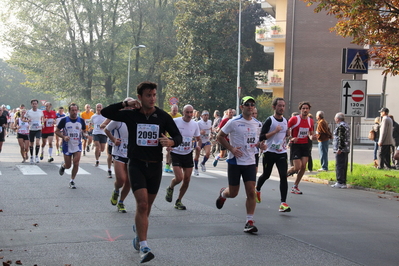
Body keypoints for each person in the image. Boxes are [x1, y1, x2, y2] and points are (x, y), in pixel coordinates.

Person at [101, 81, 182, 263]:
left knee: (147, 208)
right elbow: (105, 113)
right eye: (148, 95)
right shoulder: (131, 115)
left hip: (155, 166)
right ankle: (144, 246)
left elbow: (178, 136)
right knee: (142, 204)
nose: (152, 98)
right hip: (136, 164)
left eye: (154, 95)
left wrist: (171, 143)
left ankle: (139, 233)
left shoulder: (162, 116)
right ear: (139, 97)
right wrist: (124, 104)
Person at [215, 96, 265, 233]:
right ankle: (223, 194)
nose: (250, 106)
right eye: (247, 104)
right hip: (235, 162)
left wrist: (261, 145)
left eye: (252, 104)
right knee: (233, 193)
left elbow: (257, 141)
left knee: (250, 191)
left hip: (250, 162)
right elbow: (219, 136)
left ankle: (249, 221)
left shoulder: (257, 124)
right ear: (241, 107)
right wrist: (231, 148)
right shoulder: (233, 122)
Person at [255, 98, 291, 212]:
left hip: (282, 153)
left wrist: (287, 134)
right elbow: (261, 137)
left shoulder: (285, 121)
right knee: (266, 175)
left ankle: (283, 203)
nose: (282, 108)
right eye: (279, 105)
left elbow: (284, 136)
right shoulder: (270, 120)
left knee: (283, 176)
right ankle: (258, 189)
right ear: (274, 107)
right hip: (269, 152)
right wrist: (275, 131)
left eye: (283, 106)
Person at [165, 105, 201, 210]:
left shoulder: (195, 124)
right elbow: (166, 133)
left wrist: (198, 146)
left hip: (187, 153)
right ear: (183, 112)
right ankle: (171, 187)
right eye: (187, 112)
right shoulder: (176, 121)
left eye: (191, 112)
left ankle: (179, 200)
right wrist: (168, 144)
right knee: (179, 178)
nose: (189, 115)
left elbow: (198, 138)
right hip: (176, 152)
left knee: (187, 179)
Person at [104, 97, 134, 213]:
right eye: (128, 106)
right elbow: (106, 129)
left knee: (129, 181)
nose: (129, 108)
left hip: (131, 154)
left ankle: (121, 202)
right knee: (121, 180)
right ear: (124, 107)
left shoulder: (136, 119)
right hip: (119, 152)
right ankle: (116, 190)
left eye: (131, 106)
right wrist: (113, 139)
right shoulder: (118, 119)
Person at [55, 103, 87, 189]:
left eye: (76, 110)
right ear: (69, 111)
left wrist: (85, 134)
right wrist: (64, 136)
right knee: (68, 165)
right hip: (67, 145)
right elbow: (57, 131)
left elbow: (84, 130)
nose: (74, 112)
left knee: (76, 162)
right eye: (72, 110)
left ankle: (72, 181)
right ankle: (64, 166)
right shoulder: (64, 120)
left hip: (77, 145)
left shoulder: (81, 121)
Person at [287, 101, 315, 194]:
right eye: (303, 108)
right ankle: (285, 175)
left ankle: (295, 186)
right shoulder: (294, 119)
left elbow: (310, 134)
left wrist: (313, 137)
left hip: (305, 145)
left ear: (309, 110)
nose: (305, 110)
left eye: (307, 108)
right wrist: (291, 138)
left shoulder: (310, 121)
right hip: (296, 145)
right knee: (297, 167)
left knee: (303, 166)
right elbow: (285, 130)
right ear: (300, 110)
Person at [331, 112, 350, 188]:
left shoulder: (341, 126)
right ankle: (343, 182)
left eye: (335, 118)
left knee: (339, 165)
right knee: (344, 165)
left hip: (341, 149)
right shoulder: (346, 125)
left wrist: (339, 148)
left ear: (338, 119)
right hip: (346, 148)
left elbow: (341, 138)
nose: (335, 119)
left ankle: (340, 181)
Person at [25, 99, 44, 164]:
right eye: (33, 104)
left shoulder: (40, 111)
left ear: (37, 104)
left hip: (38, 129)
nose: (34, 105)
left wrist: (43, 124)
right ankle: (31, 157)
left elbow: (43, 118)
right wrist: (28, 121)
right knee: (31, 143)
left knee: (38, 142)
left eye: (35, 104)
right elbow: (24, 119)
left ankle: (36, 156)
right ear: (31, 104)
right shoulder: (28, 112)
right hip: (31, 129)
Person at [193, 110, 212, 175]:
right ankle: (196, 168)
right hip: (199, 140)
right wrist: (200, 132)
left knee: (208, 153)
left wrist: (211, 134)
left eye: (207, 115)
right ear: (202, 116)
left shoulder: (210, 122)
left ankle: (203, 163)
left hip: (206, 140)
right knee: (197, 155)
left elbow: (210, 129)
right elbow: (194, 132)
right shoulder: (198, 123)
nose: (206, 117)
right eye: (205, 115)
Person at [164, 104, 182, 173]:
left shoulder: (179, 116)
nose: (175, 112)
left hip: (174, 136)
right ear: (171, 110)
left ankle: (169, 165)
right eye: (174, 110)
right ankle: (167, 165)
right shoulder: (167, 115)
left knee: (173, 151)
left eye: (176, 111)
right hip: (168, 135)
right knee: (169, 150)